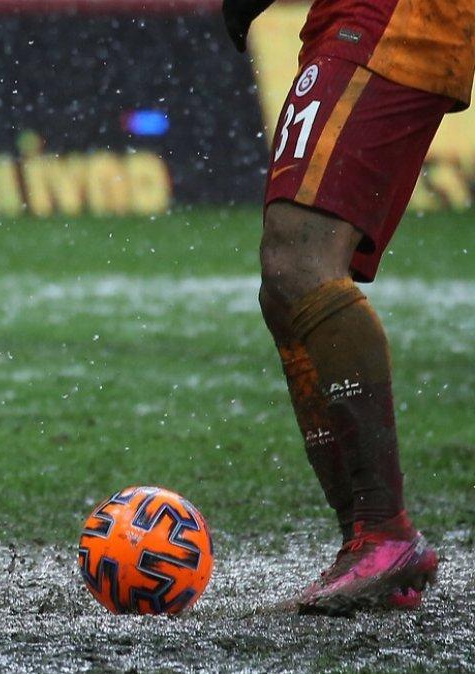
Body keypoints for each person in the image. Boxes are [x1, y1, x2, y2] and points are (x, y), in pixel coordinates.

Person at [222, 0, 474, 615]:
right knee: (285, 287)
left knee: (299, 264)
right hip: (363, 22)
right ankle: (367, 543)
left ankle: (385, 536)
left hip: (392, 16)